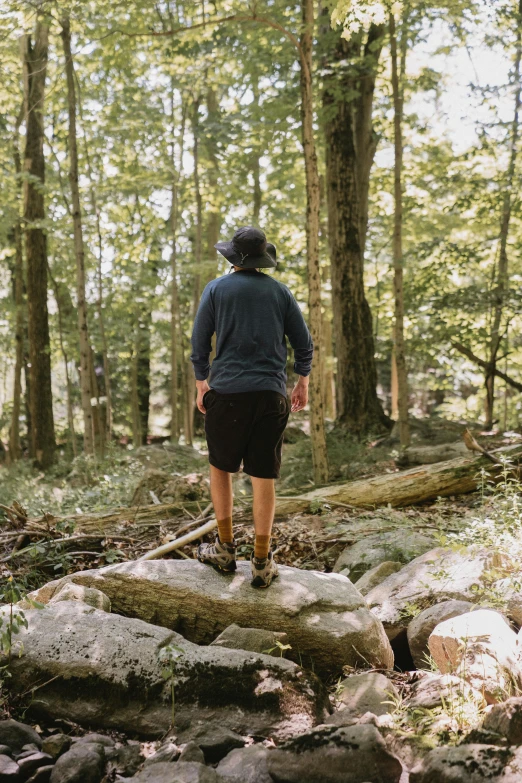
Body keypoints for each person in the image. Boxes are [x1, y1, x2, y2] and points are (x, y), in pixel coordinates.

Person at [190, 226, 314, 588]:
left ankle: (225, 550)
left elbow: (200, 342)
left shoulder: (215, 289)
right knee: (263, 475)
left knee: (220, 468)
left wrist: (202, 383)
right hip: (271, 395)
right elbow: (304, 344)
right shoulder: (280, 292)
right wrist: (302, 380)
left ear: (233, 257)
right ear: (262, 258)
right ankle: (261, 560)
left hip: (226, 392)